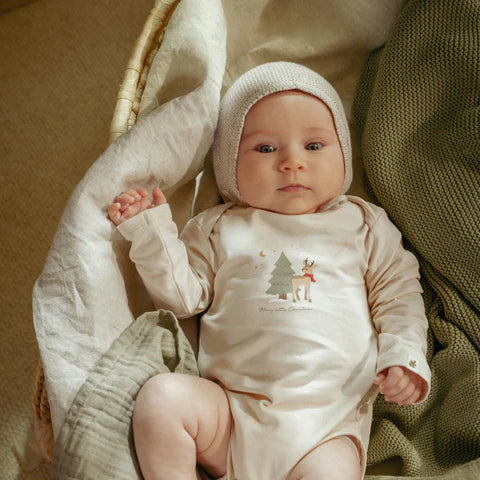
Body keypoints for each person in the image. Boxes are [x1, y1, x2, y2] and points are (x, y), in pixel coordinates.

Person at [107, 62, 431, 480]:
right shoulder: (220, 226)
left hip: (325, 428)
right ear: (229, 163)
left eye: (314, 145)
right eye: (265, 149)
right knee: (161, 398)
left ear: (343, 153)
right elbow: (181, 298)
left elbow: (399, 296)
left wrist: (404, 357)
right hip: (230, 415)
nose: (292, 162)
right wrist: (151, 232)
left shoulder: (362, 223)